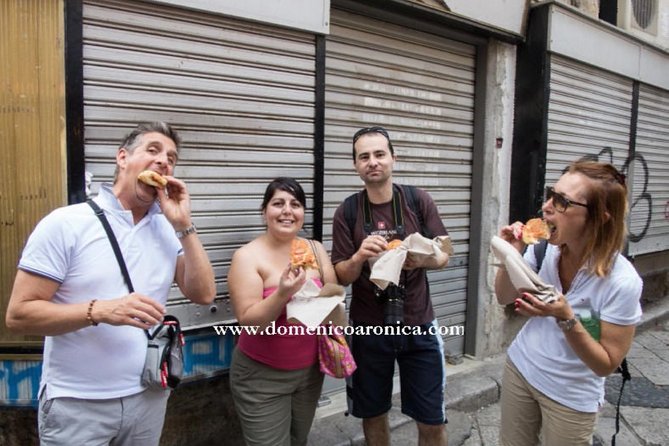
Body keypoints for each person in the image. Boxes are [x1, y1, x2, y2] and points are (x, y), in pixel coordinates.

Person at [5, 122, 216, 446]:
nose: (164, 162)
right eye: (153, 150)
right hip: (77, 403)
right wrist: (101, 310)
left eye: (171, 157)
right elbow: (19, 315)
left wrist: (184, 224)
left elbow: (203, 294)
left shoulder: (165, 229)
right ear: (122, 158)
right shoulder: (66, 223)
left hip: (149, 396)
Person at [494, 160, 642, 446]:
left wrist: (565, 317)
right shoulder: (544, 250)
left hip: (571, 396)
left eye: (562, 202)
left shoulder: (622, 282)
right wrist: (511, 255)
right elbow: (503, 296)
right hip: (522, 369)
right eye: (552, 194)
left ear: (600, 217)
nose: (546, 207)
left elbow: (605, 365)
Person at [331, 126, 450, 446]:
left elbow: (445, 254)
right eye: (364, 156)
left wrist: (420, 260)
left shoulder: (417, 200)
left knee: (432, 419)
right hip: (368, 329)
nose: (373, 162)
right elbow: (341, 275)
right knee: (373, 414)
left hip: (419, 324)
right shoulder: (348, 211)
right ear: (355, 165)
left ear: (393, 158)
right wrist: (358, 257)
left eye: (379, 154)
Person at [227, 177, 337, 446]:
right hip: (261, 377)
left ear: (302, 214)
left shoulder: (314, 249)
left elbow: (334, 294)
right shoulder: (247, 256)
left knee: (298, 440)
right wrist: (283, 293)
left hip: (310, 372)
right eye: (278, 203)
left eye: (295, 204)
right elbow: (249, 322)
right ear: (264, 212)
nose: (287, 210)